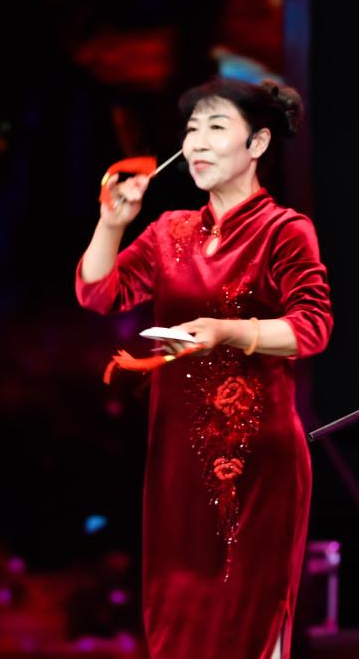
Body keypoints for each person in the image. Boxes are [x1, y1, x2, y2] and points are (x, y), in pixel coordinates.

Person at [75, 78, 332, 659]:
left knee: (248, 624)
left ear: (257, 143)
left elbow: (312, 327)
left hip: (258, 463)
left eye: (216, 128)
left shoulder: (283, 230)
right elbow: (99, 293)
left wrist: (227, 331)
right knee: (179, 624)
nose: (197, 143)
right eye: (192, 130)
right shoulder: (170, 232)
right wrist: (112, 222)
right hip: (176, 464)